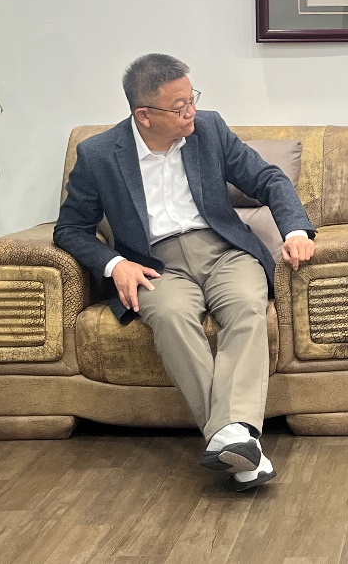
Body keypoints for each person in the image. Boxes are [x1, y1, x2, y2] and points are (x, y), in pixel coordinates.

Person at [54, 54, 316, 490]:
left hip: (225, 250)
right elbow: (70, 229)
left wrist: (295, 230)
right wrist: (116, 264)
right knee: (171, 316)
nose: (191, 111)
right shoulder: (99, 155)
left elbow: (269, 179)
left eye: (191, 98)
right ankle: (239, 441)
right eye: (179, 107)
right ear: (144, 115)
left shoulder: (209, 129)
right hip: (154, 264)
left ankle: (229, 438)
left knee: (247, 306)